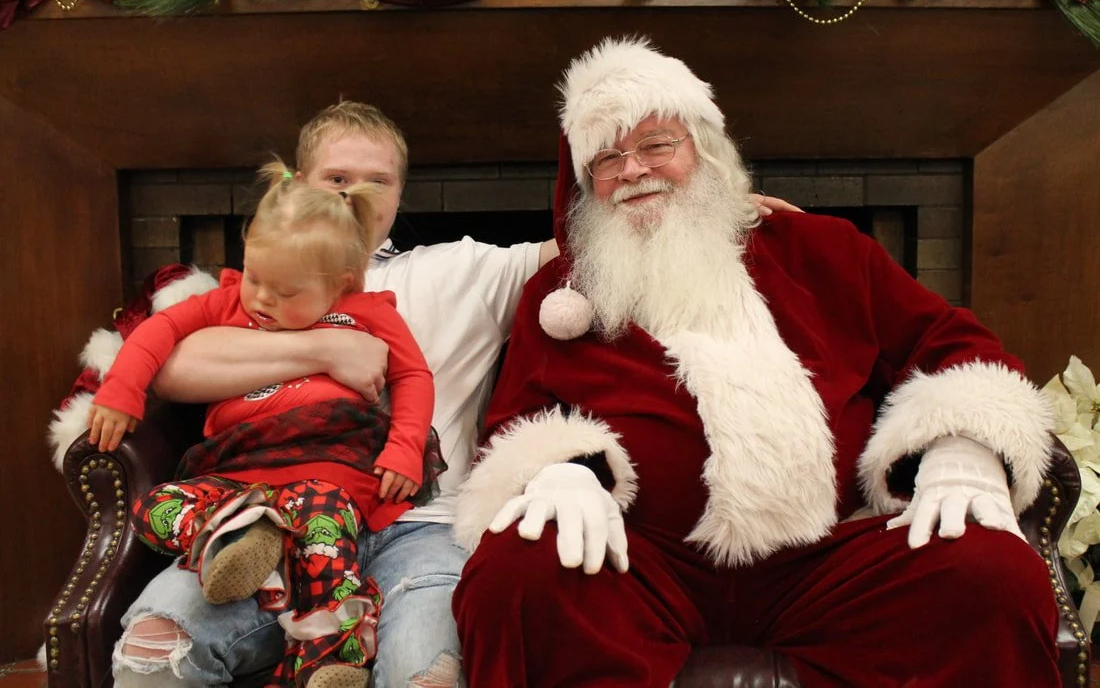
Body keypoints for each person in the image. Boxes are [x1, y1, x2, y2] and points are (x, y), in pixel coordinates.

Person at [108, 100, 798, 688]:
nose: (355, 197)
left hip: (423, 533)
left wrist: (714, 212)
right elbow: (171, 364)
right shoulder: (254, 287)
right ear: (299, 184)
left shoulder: (456, 272)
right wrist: (323, 346)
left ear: (401, 194)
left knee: (428, 671)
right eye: (336, 178)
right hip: (268, 525)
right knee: (154, 648)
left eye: (376, 182)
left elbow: (591, 246)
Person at [451, 37, 1060, 687]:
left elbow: (952, 342)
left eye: (656, 145)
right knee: (513, 574)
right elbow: (515, 422)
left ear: (704, 152)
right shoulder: (557, 300)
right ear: (585, 185)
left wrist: (958, 450)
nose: (631, 170)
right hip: (641, 566)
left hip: (828, 566)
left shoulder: (825, 250)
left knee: (991, 574)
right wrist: (562, 472)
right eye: (606, 157)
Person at [94, 161, 443, 688]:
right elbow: (159, 329)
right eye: (255, 277)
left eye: (284, 293)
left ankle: (329, 660)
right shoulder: (229, 301)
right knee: (156, 504)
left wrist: (404, 447)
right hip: (240, 483)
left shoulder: (365, 312)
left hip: (328, 477)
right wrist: (121, 391)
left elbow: (414, 375)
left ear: (340, 285)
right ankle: (236, 535)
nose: (260, 300)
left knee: (327, 546)